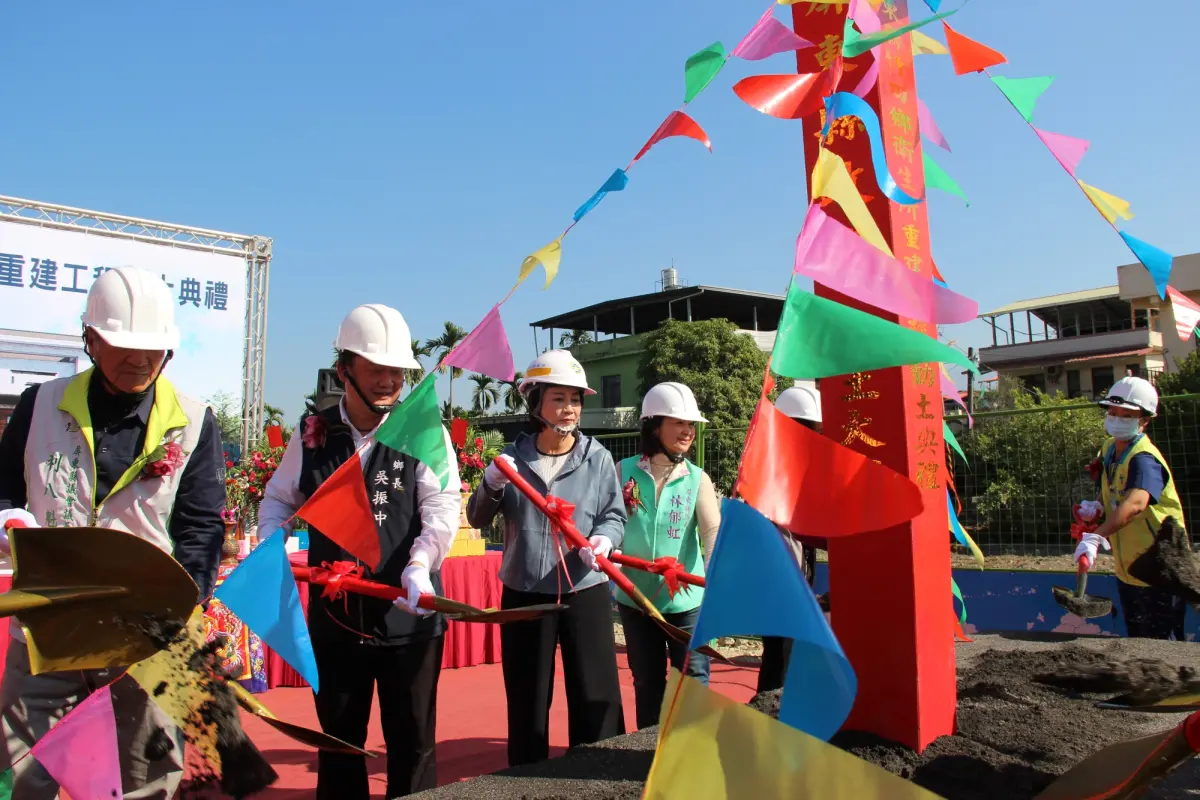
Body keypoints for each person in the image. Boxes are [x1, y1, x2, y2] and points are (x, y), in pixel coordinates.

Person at [0, 267, 225, 798]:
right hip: (46, 629)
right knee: (27, 772)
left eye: (153, 349)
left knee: (148, 779)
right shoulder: (39, 406)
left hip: (146, 638)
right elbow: (4, 491)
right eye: (123, 345)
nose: (140, 360)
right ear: (91, 339)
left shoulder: (193, 422)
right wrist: (10, 521)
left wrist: (179, 606)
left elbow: (200, 530)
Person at [256, 304, 461, 799]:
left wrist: (422, 562)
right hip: (337, 621)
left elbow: (442, 503)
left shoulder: (421, 429)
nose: (391, 380)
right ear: (345, 368)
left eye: (398, 371)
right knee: (340, 747)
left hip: (409, 618)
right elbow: (279, 498)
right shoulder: (313, 434)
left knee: (413, 747)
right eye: (378, 369)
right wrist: (271, 542)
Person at [467, 349, 626, 766]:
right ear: (536, 402)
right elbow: (478, 516)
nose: (569, 408)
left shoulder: (598, 458)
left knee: (596, 695)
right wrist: (491, 483)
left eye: (575, 399)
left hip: (584, 588)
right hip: (525, 592)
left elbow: (613, 515)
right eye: (559, 398)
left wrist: (605, 541)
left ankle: (596, 777)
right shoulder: (512, 460)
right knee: (527, 698)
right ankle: (526, 779)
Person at [614, 382, 720, 730]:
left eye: (691, 425)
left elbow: (711, 533)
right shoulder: (622, 471)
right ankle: (648, 754)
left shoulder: (697, 479)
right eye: (679, 423)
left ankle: (694, 753)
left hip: (686, 603)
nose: (688, 431)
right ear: (654, 425)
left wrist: (717, 577)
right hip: (636, 599)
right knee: (647, 683)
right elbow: (608, 523)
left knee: (692, 682)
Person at [1075, 375, 1188, 640]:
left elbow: (1136, 503)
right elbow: (1115, 490)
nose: (1116, 418)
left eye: (1126, 414)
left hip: (1161, 568)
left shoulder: (1145, 459)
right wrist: (1098, 507)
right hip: (1130, 568)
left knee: (1163, 647)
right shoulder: (1110, 449)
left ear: (1145, 419)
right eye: (1113, 412)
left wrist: (1096, 537)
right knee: (1138, 640)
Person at [757, 384, 823, 695]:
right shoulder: (770, 469)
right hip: (778, 581)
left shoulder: (804, 468)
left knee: (792, 658)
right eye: (809, 429)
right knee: (779, 662)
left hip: (800, 576)